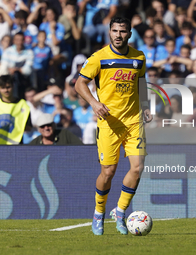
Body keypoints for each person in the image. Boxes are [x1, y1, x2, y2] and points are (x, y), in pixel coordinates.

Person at [75, 17, 152, 236]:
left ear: (129, 34)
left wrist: (145, 105)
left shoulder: (139, 57)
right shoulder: (99, 58)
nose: (118, 35)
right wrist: (94, 103)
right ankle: (98, 213)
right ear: (109, 32)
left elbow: (141, 82)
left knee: (137, 168)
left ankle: (120, 212)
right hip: (109, 123)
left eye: (123, 31)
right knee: (108, 172)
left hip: (133, 121)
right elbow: (79, 83)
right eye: (115, 31)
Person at [0, 75, 32, 144]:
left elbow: (29, 127)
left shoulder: (23, 105)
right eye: (3, 88)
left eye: (8, 87)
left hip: (16, 145)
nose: (6, 90)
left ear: (13, 86)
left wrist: (15, 125)